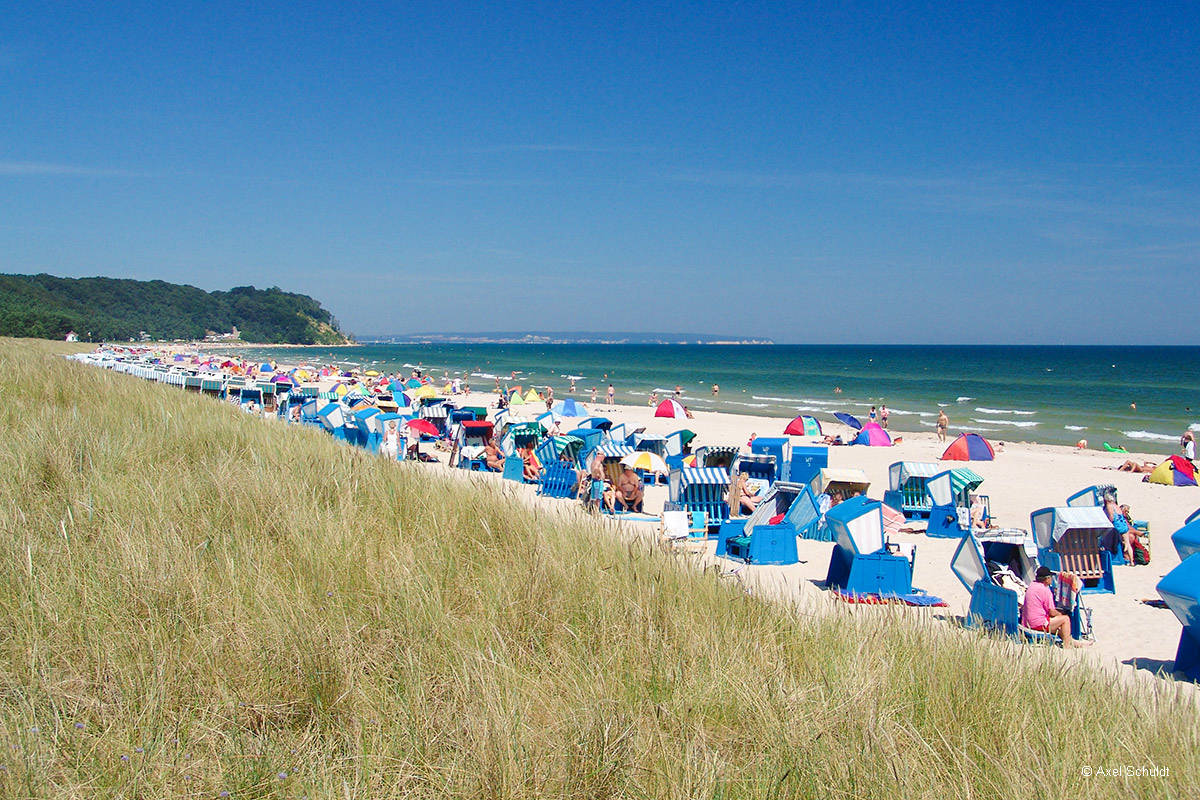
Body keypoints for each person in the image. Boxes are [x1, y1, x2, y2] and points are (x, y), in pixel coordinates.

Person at [1021, 566, 1088, 647]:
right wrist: (1061, 615)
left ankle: (1075, 643)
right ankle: (1067, 647)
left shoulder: (1032, 586)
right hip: (1037, 624)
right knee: (1065, 619)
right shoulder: (1045, 590)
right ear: (1047, 579)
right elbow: (1051, 612)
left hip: (1027, 622)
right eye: (1051, 577)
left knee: (1061, 629)